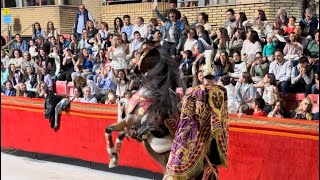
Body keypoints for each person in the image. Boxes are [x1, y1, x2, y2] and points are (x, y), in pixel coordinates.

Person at [163, 61, 228, 180]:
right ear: (215, 76)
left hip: (198, 134)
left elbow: (188, 114)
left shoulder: (197, 91)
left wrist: (183, 100)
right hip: (217, 138)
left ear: (201, 76)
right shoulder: (222, 91)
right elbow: (223, 114)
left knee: (177, 148)